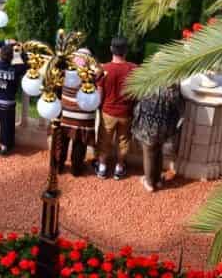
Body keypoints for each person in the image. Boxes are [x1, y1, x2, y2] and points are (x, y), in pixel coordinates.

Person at [95, 36, 138, 180]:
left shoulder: (104, 69)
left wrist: (98, 106)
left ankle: (102, 167)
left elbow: (100, 93)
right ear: (126, 50)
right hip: (126, 112)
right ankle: (119, 168)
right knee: (123, 141)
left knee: (104, 140)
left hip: (108, 111)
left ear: (111, 49)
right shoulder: (134, 69)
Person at [132, 82, 185, 193]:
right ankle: (158, 179)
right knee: (158, 150)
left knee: (148, 153)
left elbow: (137, 97)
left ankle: (149, 182)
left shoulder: (149, 80)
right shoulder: (174, 84)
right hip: (165, 125)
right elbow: (179, 105)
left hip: (147, 123)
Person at [54, 47, 98, 177]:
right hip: (83, 116)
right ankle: (76, 169)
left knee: (61, 142)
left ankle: (58, 166)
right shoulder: (93, 75)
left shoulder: (65, 72)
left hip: (65, 113)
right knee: (79, 144)